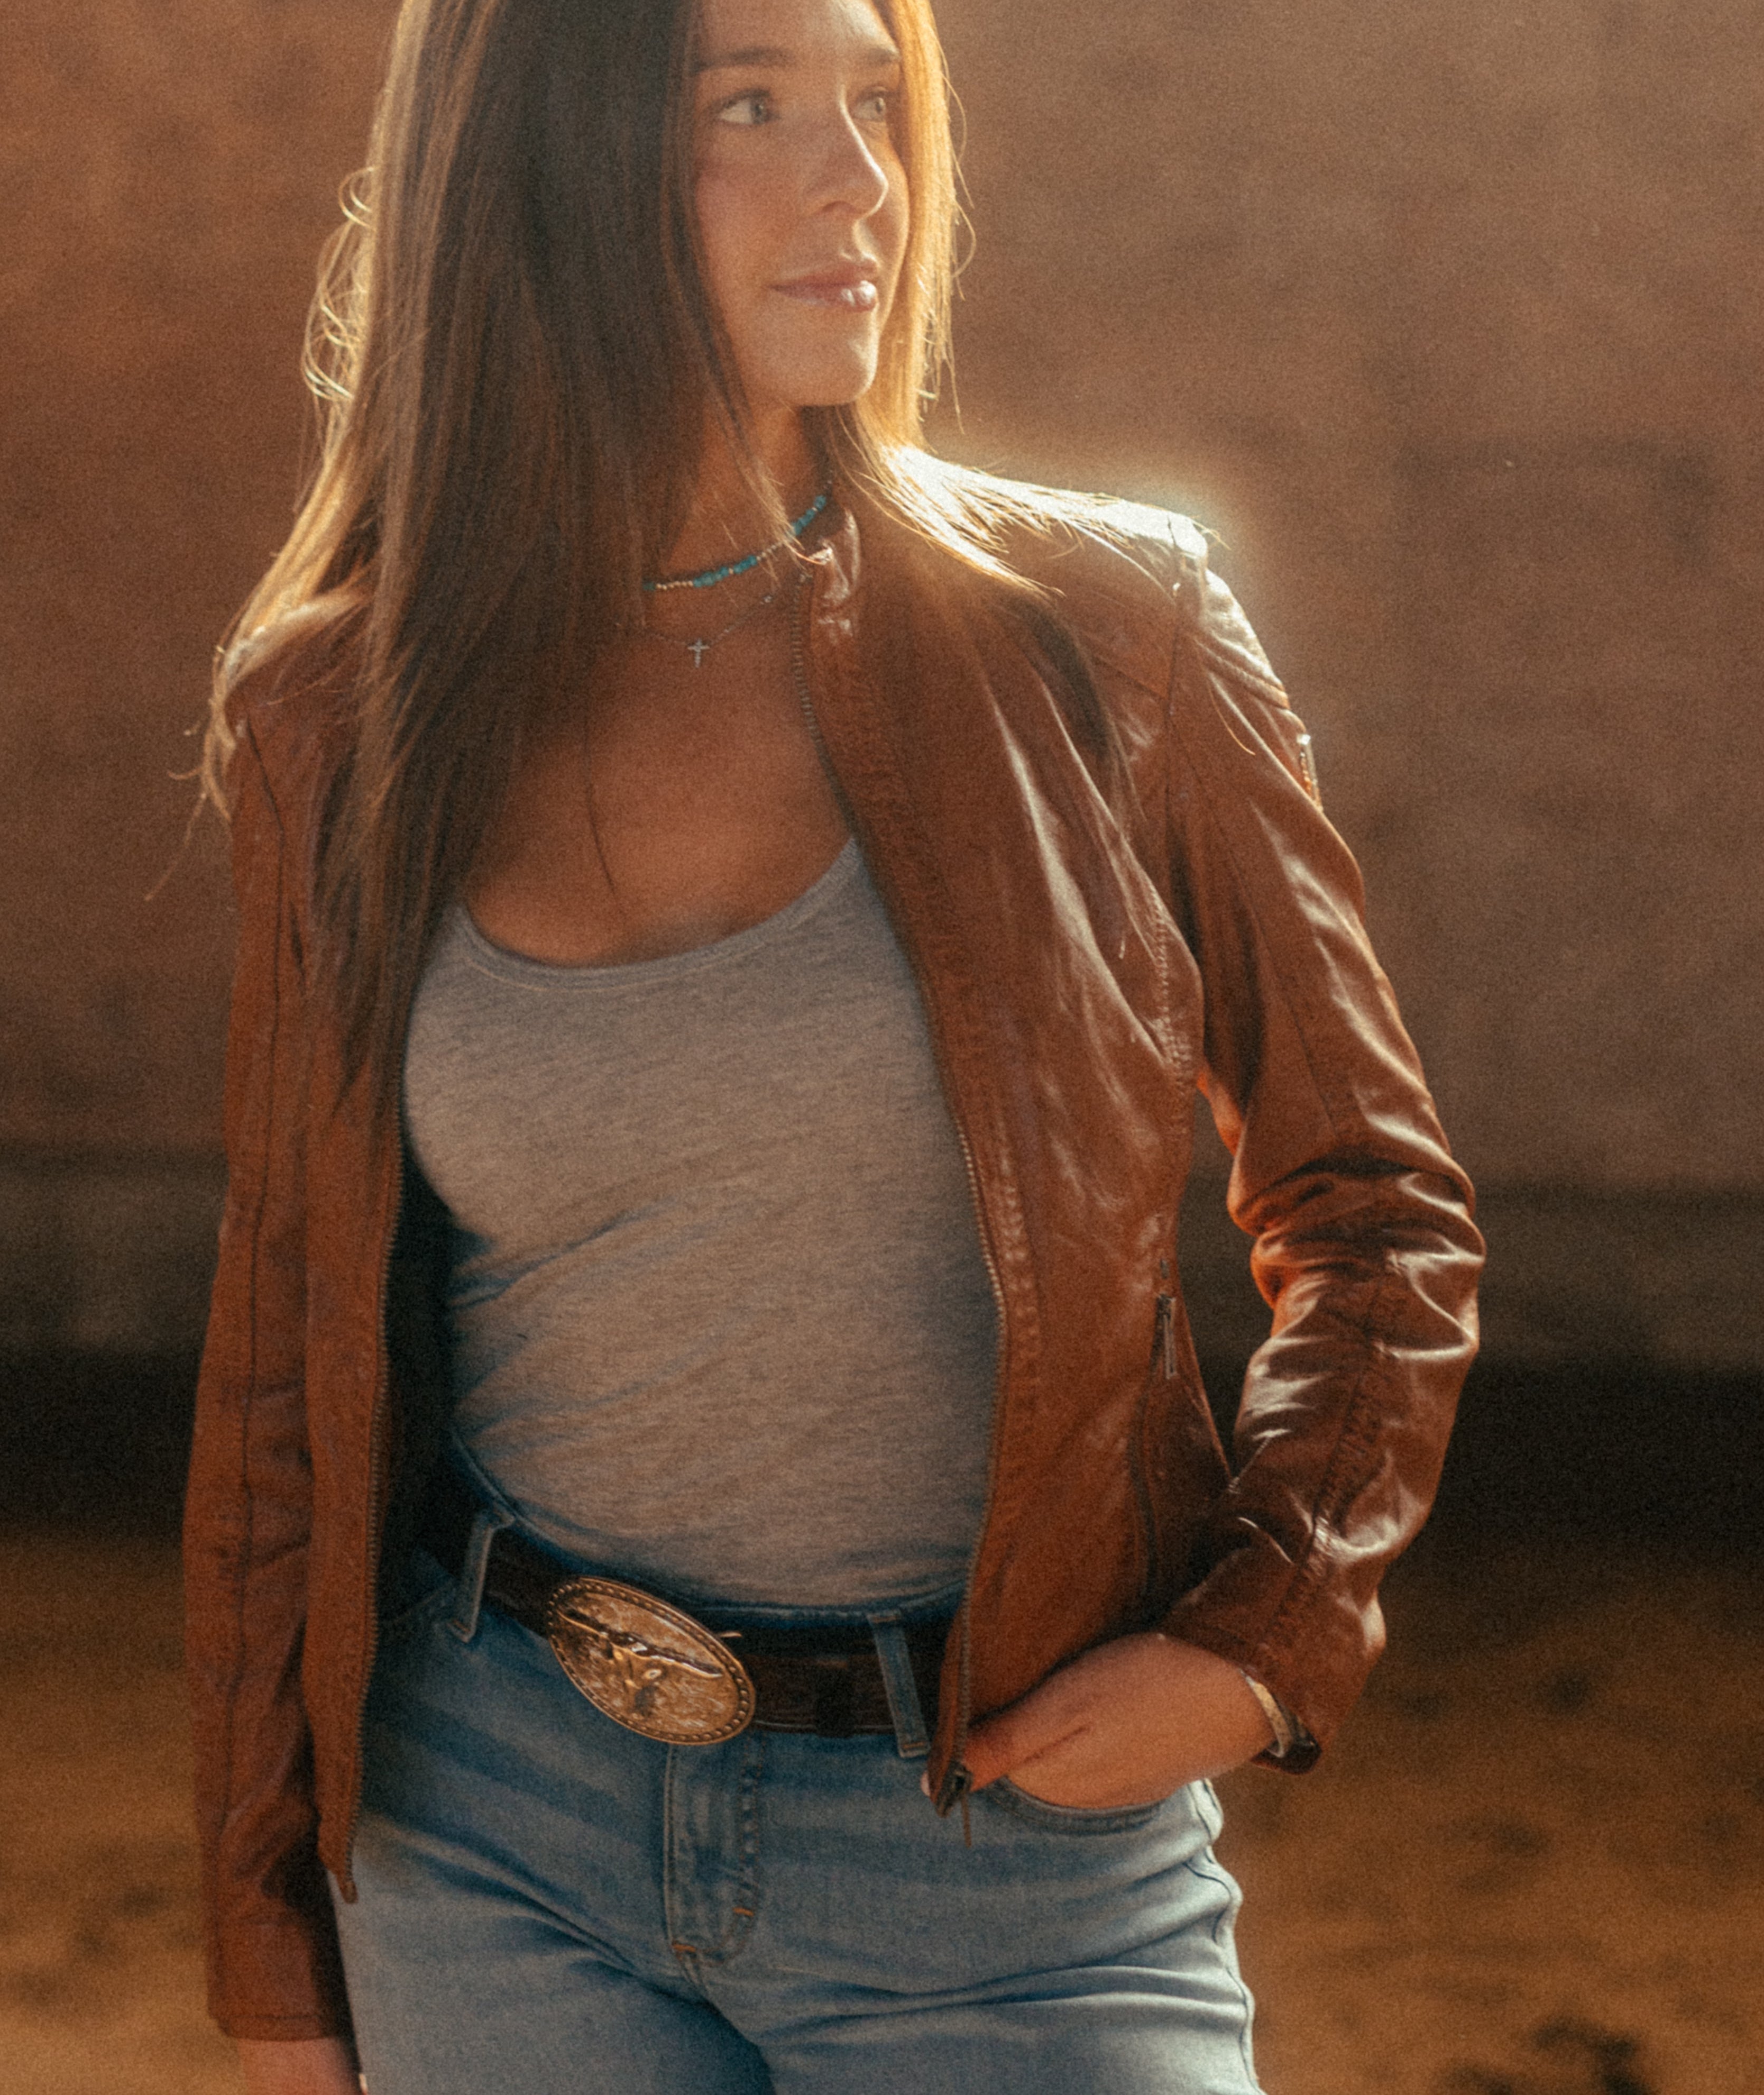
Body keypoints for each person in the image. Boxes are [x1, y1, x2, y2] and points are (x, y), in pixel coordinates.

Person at [184, 0, 1483, 2088]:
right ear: (548, 165)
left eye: (878, 102)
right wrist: (273, 1944)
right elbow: (284, 1346)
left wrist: (1268, 1634)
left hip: (1001, 1841)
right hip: (485, 1824)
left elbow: (1373, 1204)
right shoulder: (335, 714)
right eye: (751, 110)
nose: (855, 178)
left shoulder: (1109, 630)